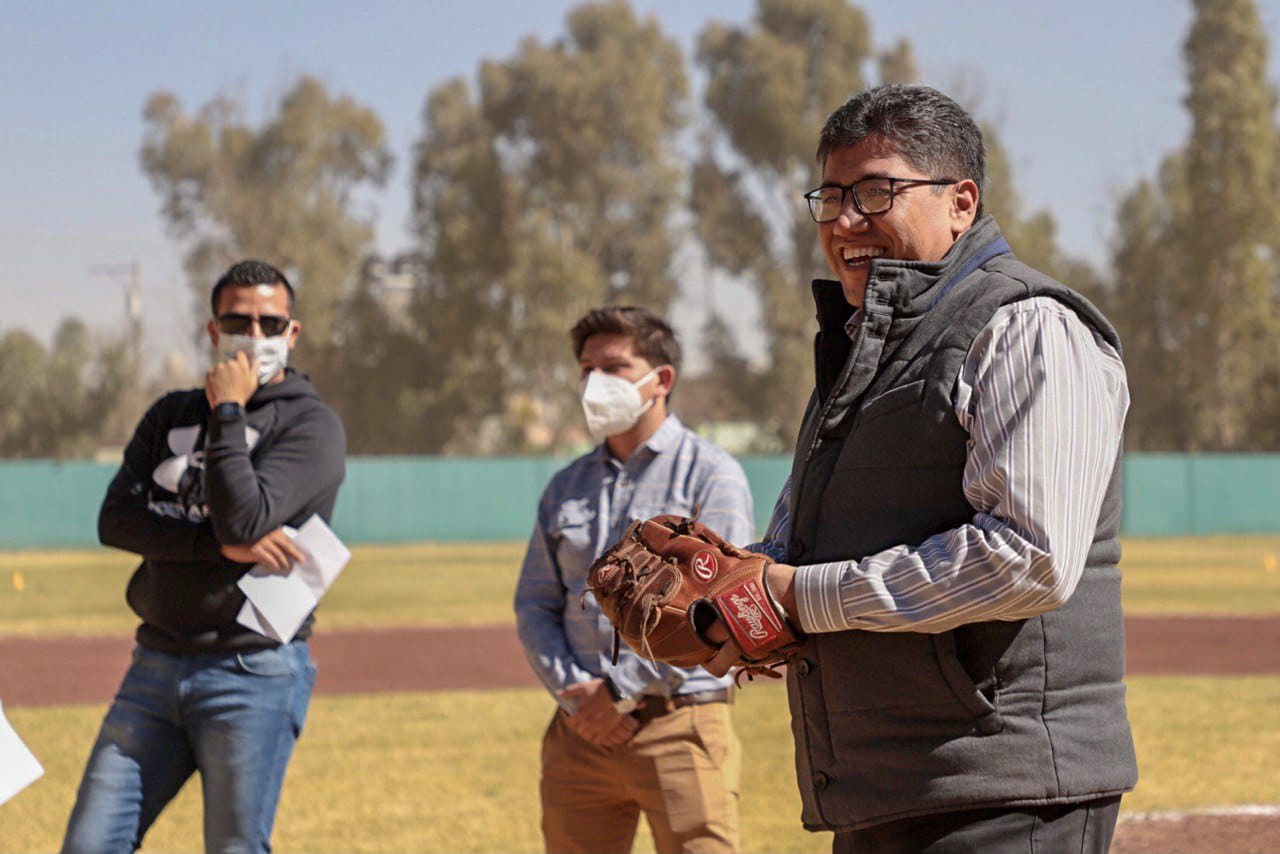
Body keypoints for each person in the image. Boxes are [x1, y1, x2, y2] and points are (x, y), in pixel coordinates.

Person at [702, 85, 1139, 852]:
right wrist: (744, 596)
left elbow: (1029, 557)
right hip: (892, 787)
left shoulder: (1027, 326)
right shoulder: (868, 353)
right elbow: (808, 547)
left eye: (876, 192)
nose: (845, 222)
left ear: (961, 202)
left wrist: (799, 598)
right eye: (831, 196)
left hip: (1004, 794)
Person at [63, 259, 346, 854]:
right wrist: (213, 546)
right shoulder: (170, 414)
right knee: (89, 845)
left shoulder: (311, 425)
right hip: (155, 664)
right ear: (213, 331)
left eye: (271, 322)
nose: (256, 335)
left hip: (253, 672)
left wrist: (228, 412)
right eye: (238, 320)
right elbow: (116, 521)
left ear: (293, 333)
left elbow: (245, 516)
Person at [514, 306, 756, 854]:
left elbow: (715, 611)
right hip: (581, 733)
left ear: (661, 379)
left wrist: (619, 693)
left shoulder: (711, 474)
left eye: (614, 368)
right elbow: (534, 604)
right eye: (585, 369)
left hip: (681, 725)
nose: (594, 383)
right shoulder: (564, 487)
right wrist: (577, 694)